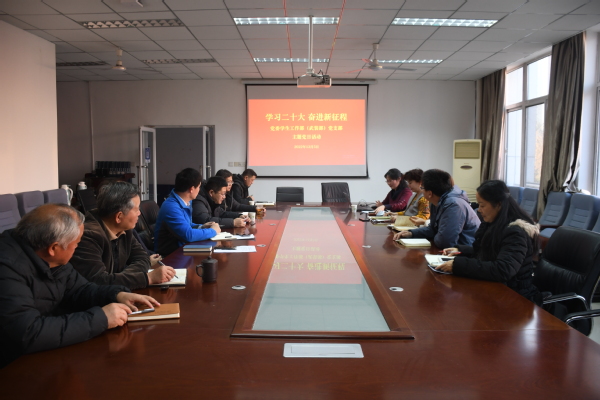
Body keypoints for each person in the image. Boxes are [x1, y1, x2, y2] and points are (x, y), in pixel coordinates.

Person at [0, 204, 159, 368]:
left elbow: (80, 289)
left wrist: (117, 294)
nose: (77, 248)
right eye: (76, 243)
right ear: (54, 248)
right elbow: (28, 333)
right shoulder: (7, 268)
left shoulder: (50, 256)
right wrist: (101, 318)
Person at [435, 180, 541, 302]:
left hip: (516, 296)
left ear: (498, 205)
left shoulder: (516, 232)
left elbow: (503, 269)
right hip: (497, 289)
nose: (479, 210)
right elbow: (489, 251)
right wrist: (460, 250)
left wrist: (458, 265)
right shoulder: (494, 222)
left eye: (482, 205)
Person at [70, 181, 175, 290]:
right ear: (119, 217)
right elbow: (98, 282)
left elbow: (143, 257)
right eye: (136, 209)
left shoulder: (124, 228)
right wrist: (147, 278)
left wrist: (120, 279)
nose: (139, 213)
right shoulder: (87, 236)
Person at [394, 169, 480, 248]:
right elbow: (433, 229)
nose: (421, 190)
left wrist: (436, 233)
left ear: (430, 193)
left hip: (465, 251)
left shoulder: (453, 204)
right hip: (450, 249)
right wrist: (411, 233)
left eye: (422, 188)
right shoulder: (436, 201)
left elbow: (445, 241)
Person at [155, 168, 221, 256]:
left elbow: (186, 225)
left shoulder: (186, 201)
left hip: (184, 249)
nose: (199, 190)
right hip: (171, 255)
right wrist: (213, 231)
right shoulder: (171, 207)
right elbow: (188, 235)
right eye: (199, 187)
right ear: (191, 189)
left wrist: (202, 227)